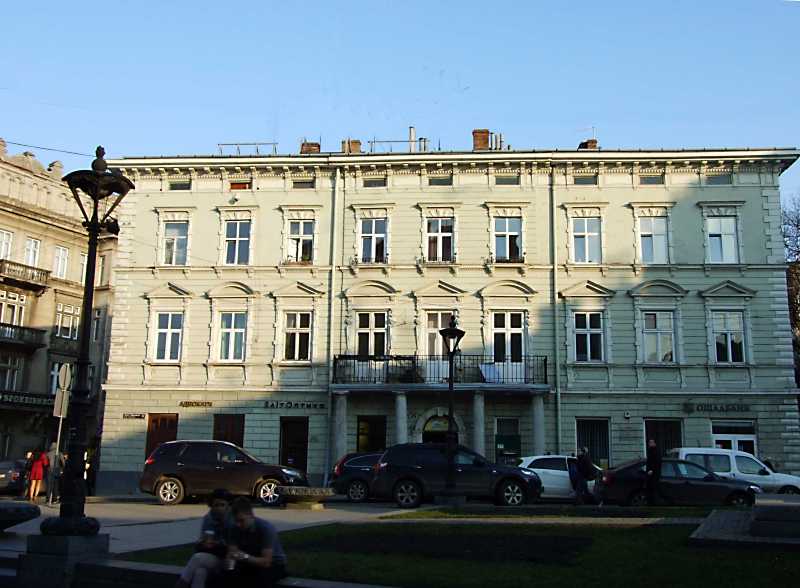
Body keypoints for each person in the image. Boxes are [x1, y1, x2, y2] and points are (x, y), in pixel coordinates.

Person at [222, 497, 287, 587]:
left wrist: (245, 557)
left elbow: (266, 562)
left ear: (251, 515)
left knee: (259, 578)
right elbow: (232, 553)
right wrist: (230, 566)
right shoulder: (234, 528)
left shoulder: (265, 528)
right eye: (236, 521)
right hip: (250, 560)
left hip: (274, 563)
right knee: (226, 576)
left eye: (241, 520)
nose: (238, 524)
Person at [175, 489, 233, 588]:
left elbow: (232, 547)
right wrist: (202, 543)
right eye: (216, 505)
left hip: (229, 560)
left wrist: (216, 543)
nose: (219, 508)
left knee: (197, 559)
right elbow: (202, 543)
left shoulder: (232, 519)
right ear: (211, 506)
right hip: (212, 556)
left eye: (222, 505)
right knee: (200, 572)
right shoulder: (208, 518)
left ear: (228, 506)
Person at [645, 439, 662, 506]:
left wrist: (652, 470)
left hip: (654, 474)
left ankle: (653, 503)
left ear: (654, 443)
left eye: (651, 442)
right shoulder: (651, 450)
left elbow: (656, 462)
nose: (649, 443)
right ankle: (651, 503)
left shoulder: (655, 451)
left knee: (653, 489)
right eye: (649, 442)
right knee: (650, 489)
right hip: (651, 474)